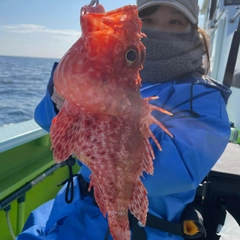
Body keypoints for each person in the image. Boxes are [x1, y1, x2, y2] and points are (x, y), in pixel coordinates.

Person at [17, 0, 232, 239]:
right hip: (74, 211)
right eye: (148, 20)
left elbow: (175, 173)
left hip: (148, 227)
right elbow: (46, 120)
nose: (160, 29)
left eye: (174, 21)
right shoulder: (110, 72)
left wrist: (110, 125)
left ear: (192, 30)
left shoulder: (203, 98)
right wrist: (61, 100)